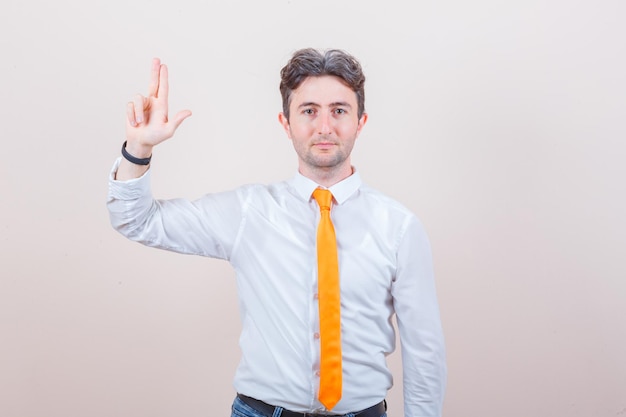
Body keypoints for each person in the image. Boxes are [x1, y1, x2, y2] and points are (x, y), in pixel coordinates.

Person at [107, 48, 446, 417]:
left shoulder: (399, 227)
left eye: (339, 110)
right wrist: (139, 148)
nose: (325, 127)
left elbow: (424, 351)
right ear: (286, 124)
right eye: (309, 111)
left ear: (360, 122)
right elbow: (137, 220)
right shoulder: (248, 212)